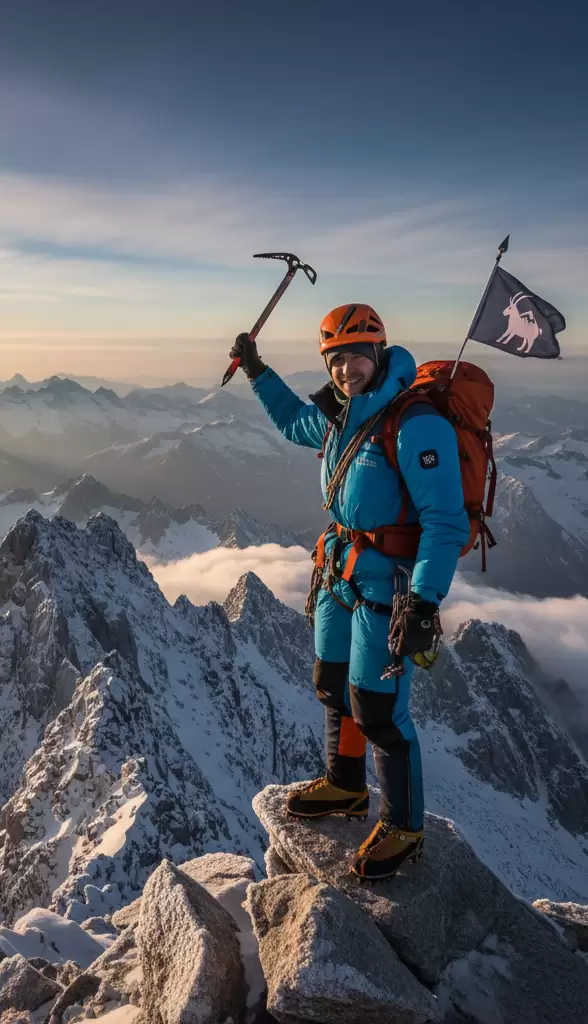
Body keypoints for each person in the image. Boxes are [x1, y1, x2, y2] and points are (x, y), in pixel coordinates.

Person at [229, 304, 468, 880]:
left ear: (379, 355)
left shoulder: (413, 424)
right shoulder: (340, 416)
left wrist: (425, 601)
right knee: (332, 684)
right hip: (339, 569)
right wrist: (257, 371)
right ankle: (345, 787)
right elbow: (291, 421)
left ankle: (406, 827)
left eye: (357, 356)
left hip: (388, 587)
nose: (345, 370)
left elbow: (445, 522)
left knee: (380, 710)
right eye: (336, 360)